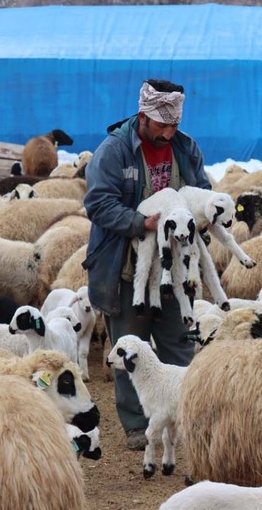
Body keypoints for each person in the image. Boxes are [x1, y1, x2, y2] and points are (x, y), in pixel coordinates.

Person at [82, 79, 212, 450]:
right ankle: (139, 425)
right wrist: (143, 223)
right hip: (125, 268)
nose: (169, 132)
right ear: (144, 117)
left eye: (174, 125)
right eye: (161, 125)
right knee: (131, 344)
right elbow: (99, 203)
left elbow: (199, 189)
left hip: (174, 268)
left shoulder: (185, 149)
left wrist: (201, 212)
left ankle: (189, 413)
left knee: (181, 342)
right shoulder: (114, 151)